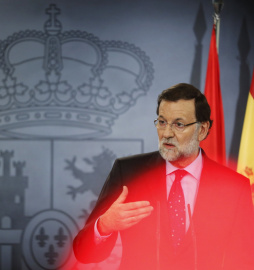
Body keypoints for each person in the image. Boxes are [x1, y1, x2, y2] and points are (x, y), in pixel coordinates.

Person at [73, 83, 254, 270]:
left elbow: (246, 260)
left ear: (202, 129)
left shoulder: (234, 187)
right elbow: (84, 254)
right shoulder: (128, 173)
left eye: (179, 124)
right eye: (162, 122)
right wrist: (104, 226)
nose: (166, 133)